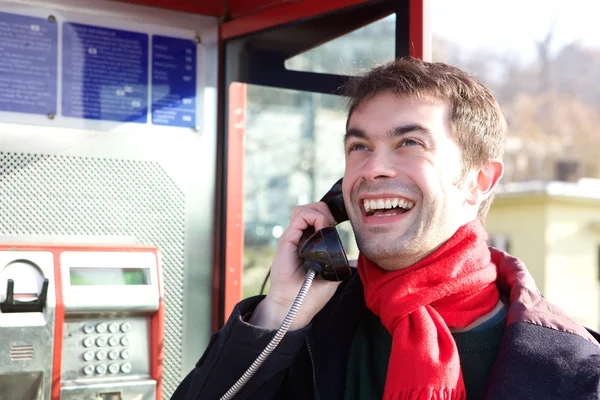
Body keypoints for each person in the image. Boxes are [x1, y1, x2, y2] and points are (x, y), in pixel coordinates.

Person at [172, 58, 600, 400]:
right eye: (359, 147)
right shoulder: (305, 327)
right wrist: (280, 313)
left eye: (409, 143)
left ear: (479, 181)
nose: (373, 168)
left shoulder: (576, 368)